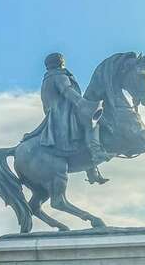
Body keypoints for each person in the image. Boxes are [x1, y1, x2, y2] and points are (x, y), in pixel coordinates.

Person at [24, 52, 109, 184]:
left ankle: (92, 170)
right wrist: (84, 104)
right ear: (61, 63)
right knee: (92, 122)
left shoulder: (47, 79)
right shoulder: (59, 76)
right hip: (63, 114)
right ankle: (97, 152)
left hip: (56, 114)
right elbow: (67, 91)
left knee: (83, 131)